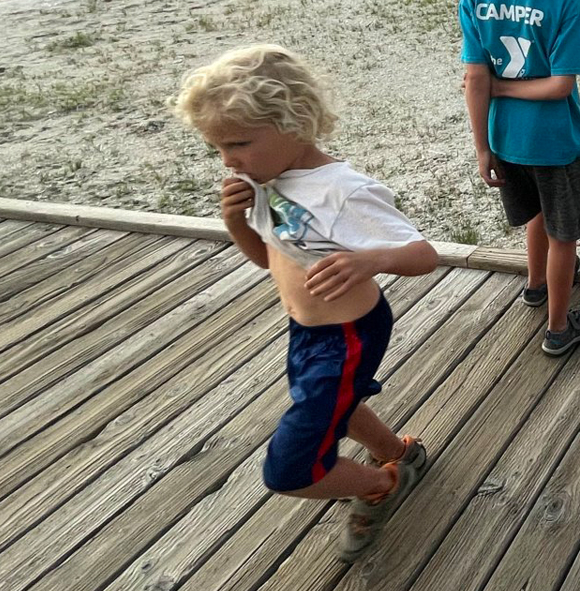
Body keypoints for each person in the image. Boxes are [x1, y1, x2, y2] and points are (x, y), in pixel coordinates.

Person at [172, 44, 438, 561]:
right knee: (340, 403)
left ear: (295, 123)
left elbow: (423, 254)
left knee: (290, 470)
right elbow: (268, 260)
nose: (228, 160)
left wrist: (370, 260)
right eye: (217, 148)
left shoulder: (340, 190)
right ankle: (400, 453)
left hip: (348, 335)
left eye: (238, 143)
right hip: (308, 331)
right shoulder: (264, 181)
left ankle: (380, 483)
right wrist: (234, 223)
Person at [460, 0, 580, 356]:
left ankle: (535, 286)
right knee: (565, 235)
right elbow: (561, 85)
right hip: (555, 144)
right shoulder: (563, 1)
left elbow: (474, 80)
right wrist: (509, 85)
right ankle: (560, 329)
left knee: (536, 216)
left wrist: (482, 146)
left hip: (506, 141)